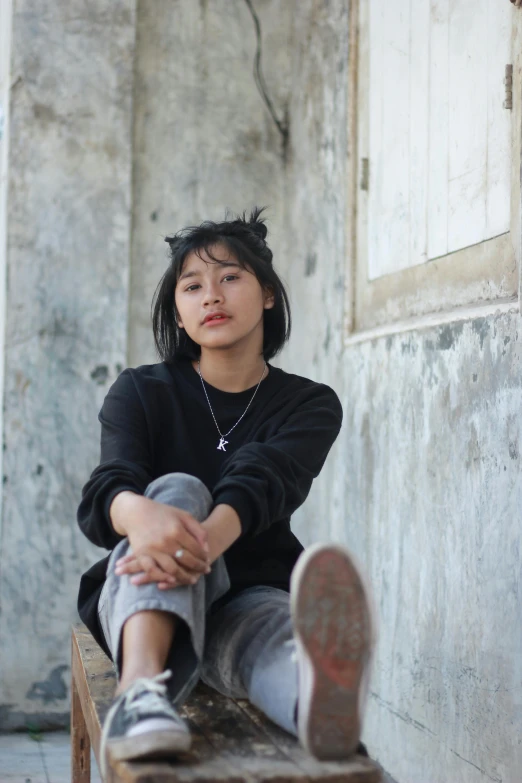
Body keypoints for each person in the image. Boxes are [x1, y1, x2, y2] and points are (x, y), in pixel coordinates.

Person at [76, 207, 374, 775]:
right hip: (142, 595)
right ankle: (139, 692)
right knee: (179, 490)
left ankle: (313, 697)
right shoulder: (141, 391)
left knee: (265, 641)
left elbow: (266, 477)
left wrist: (208, 543)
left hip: (249, 583)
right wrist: (142, 517)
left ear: (266, 293)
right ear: (179, 316)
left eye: (230, 277)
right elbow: (105, 492)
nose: (211, 295)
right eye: (192, 287)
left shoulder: (310, 403)